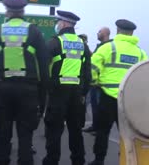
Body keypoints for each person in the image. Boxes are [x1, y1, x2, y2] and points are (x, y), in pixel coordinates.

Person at [0, 0, 49, 165]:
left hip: (4, 89)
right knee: (25, 136)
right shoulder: (34, 31)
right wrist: (42, 98)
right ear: (23, 12)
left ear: (7, 12)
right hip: (29, 91)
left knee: (3, 134)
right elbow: (44, 65)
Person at [88, 20, 148, 165]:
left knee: (102, 131)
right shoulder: (140, 52)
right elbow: (144, 75)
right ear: (132, 33)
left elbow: (93, 69)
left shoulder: (108, 47)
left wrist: (95, 83)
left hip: (108, 97)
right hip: (129, 100)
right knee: (128, 134)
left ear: (118, 31)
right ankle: (127, 160)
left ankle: (99, 160)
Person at [43, 10, 91, 165]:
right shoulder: (83, 45)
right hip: (77, 93)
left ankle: (52, 161)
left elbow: (44, 68)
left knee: (54, 130)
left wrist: (47, 88)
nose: (57, 25)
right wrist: (83, 93)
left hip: (57, 92)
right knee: (76, 130)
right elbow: (87, 72)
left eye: (58, 22)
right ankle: (78, 161)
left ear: (63, 23)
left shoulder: (54, 42)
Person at [83, 27, 112, 134]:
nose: (97, 33)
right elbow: (93, 58)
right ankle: (95, 126)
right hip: (94, 82)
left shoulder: (108, 47)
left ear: (105, 33)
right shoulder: (100, 46)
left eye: (99, 31)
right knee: (94, 106)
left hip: (102, 83)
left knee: (100, 108)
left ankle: (100, 129)